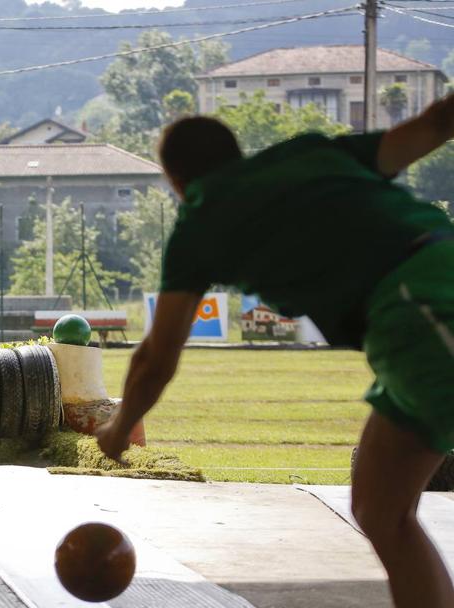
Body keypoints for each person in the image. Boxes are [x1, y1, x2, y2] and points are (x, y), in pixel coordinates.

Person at [95, 93, 454, 608]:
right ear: (237, 155)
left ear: (176, 182)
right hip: (413, 314)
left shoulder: (200, 222)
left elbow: (157, 355)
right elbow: (438, 120)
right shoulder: (311, 153)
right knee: (381, 508)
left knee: (387, 511)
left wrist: (120, 425)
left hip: (422, 307)